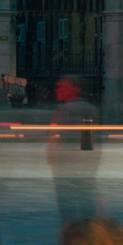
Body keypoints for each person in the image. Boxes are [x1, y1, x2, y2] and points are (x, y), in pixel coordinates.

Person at [47, 75, 102, 223]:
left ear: (73, 89)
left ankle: (73, 230)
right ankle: (88, 229)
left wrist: (53, 156)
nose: (57, 90)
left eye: (62, 87)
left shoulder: (66, 109)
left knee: (67, 204)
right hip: (85, 164)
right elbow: (88, 140)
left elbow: (57, 137)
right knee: (85, 201)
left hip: (66, 164)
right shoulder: (90, 108)